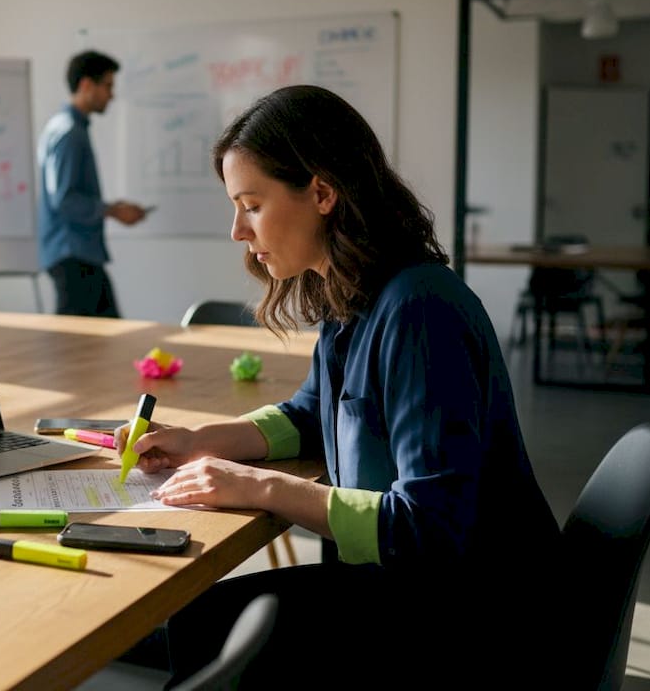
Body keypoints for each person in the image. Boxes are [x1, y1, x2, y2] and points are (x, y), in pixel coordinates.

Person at [115, 85, 563, 687]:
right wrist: (200, 441)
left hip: (475, 617)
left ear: (322, 193)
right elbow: (312, 414)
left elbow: (428, 528)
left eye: (251, 205)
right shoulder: (352, 291)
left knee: (211, 627)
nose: (238, 231)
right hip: (421, 589)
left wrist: (259, 485)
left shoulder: (420, 310)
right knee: (206, 622)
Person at [37, 49, 148, 317]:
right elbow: (64, 200)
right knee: (78, 338)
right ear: (87, 85)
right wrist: (112, 211)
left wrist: (111, 209)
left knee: (105, 331)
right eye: (108, 86)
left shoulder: (64, 127)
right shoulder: (70, 133)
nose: (112, 95)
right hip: (73, 253)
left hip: (77, 254)